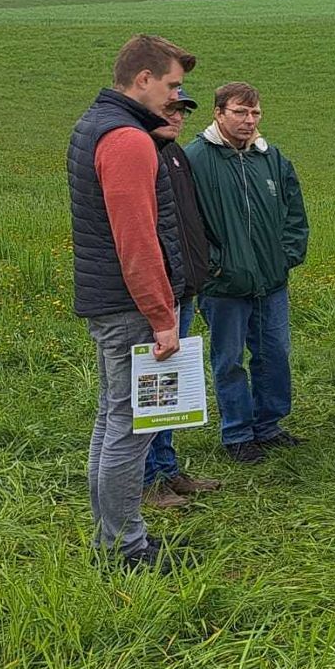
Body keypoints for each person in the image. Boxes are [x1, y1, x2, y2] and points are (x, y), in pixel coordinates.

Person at [70, 34, 197, 570]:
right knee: (131, 426)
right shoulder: (126, 139)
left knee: (111, 418)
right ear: (141, 79)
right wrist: (162, 316)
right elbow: (136, 238)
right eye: (171, 85)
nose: (176, 96)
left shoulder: (96, 124)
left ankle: (111, 538)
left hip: (109, 301)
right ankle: (126, 548)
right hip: (130, 306)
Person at [187, 83, 310, 463]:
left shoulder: (270, 158)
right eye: (240, 112)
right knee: (229, 360)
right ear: (219, 113)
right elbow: (186, 222)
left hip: (270, 279)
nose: (249, 120)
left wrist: (286, 255)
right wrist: (213, 264)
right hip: (224, 283)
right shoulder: (196, 159)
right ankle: (237, 433)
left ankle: (268, 425)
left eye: (255, 113)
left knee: (274, 353)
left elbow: (294, 211)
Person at [143, 88, 222, 509]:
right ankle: (147, 479)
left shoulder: (175, 156)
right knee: (150, 389)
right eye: (171, 109)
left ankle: (168, 469)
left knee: (169, 389)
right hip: (157, 291)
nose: (177, 118)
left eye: (182, 111)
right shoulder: (142, 154)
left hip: (184, 286)